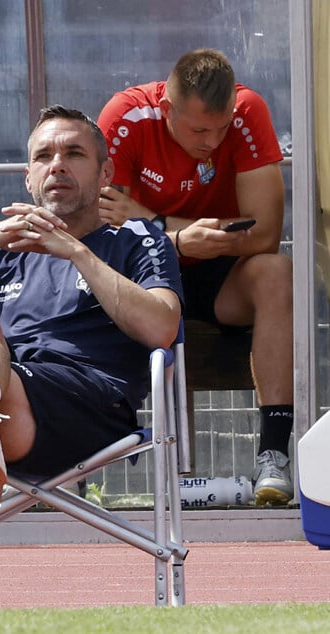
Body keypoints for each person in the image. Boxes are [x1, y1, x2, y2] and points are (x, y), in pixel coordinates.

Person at [0, 105, 183, 611]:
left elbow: (163, 326)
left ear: (105, 174)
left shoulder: (136, 240)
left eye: (74, 154)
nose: (57, 165)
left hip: (90, 404)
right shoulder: (0, 251)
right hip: (3, 397)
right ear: (28, 176)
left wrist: (77, 253)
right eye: (44, 156)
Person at [96, 48, 293, 506]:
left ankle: (273, 454)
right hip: (143, 274)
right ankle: (73, 467)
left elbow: (263, 235)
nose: (212, 140)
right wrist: (175, 236)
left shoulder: (249, 110)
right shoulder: (125, 115)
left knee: (276, 272)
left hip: (220, 275)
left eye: (222, 128)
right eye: (200, 129)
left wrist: (151, 219)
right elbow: (105, 233)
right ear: (167, 109)